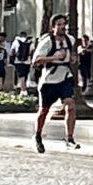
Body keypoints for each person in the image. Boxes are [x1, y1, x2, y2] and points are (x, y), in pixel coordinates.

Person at [30, 11, 81, 151]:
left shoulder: (70, 40)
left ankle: (69, 137)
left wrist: (73, 59)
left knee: (70, 105)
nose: (62, 27)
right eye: (59, 25)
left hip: (65, 77)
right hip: (49, 80)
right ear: (53, 27)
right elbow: (36, 60)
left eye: (64, 24)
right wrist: (54, 57)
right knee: (44, 110)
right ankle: (38, 135)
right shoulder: (47, 41)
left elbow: (73, 55)